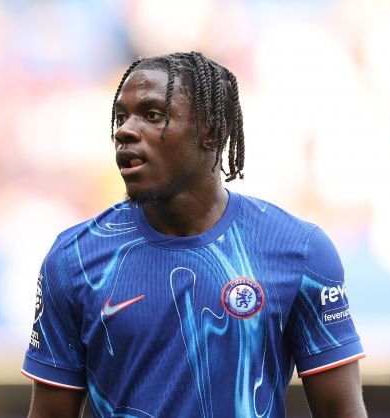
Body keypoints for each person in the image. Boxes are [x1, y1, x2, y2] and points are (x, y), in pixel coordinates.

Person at [21, 51, 367, 418]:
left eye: (152, 115)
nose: (124, 130)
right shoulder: (74, 258)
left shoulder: (300, 251)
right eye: (120, 117)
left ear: (211, 131)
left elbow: (341, 410)